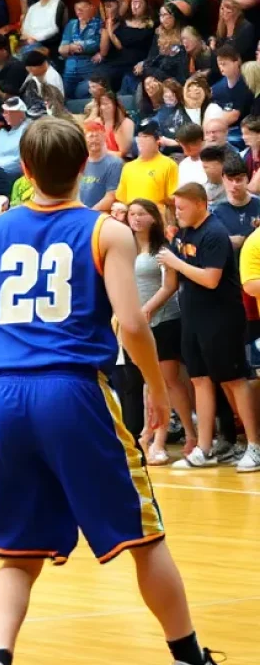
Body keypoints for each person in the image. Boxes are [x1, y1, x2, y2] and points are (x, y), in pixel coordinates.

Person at [0, 118, 247, 665]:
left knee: (18, 553)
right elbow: (132, 323)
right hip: (70, 390)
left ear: (24, 172)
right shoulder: (105, 231)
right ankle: (191, 663)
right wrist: (155, 388)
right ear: (86, 171)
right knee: (145, 535)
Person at [159, 183, 260, 472]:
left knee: (234, 380)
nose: (176, 212)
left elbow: (210, 279)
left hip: (221, 319)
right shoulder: (186, 232)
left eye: (181, 207)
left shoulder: (214, 233)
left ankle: (254, 445)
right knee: (200, 380)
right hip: (193, 317)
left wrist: (175, 262)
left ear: (200, 204)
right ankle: (204, 449)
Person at [126, 200, 195, 466]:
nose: (135, 219)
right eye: (132, 214)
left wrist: (148, 309)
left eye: (141, 214)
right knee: (147, 382)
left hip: (163, 321)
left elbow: (169, 287)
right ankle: (148, 434)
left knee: (168, 382)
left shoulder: (162, 249)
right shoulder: (125, 247)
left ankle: (177, 437)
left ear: (153, 218)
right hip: (135, 325)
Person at [114, 121, 179, 213]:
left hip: (157, 220)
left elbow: (173, 200)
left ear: (157, 140)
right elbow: (122, 199)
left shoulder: (169, 165)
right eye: (139, 136)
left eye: (145, 137)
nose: (141, 140)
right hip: (132, 219)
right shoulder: (128, 167)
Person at [78, 119, 123, 212]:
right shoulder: (80, 162)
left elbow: (111, 197)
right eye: (90, 136)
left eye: (97, 136)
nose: (94, 140)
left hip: (100, 217)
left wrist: (89, 214)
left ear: (104, 137)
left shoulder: (114, 163)